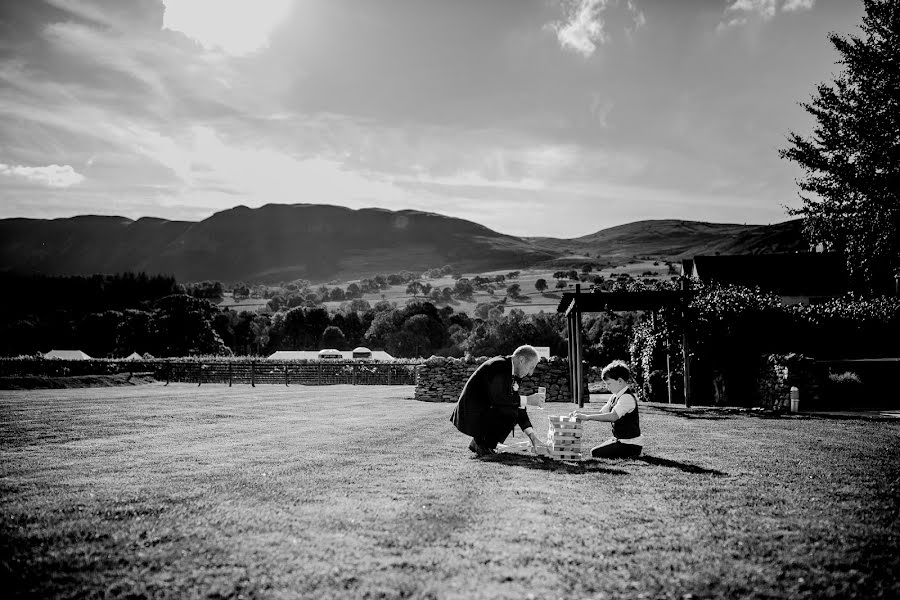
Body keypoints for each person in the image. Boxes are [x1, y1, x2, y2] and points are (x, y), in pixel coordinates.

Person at [450, 345, 545, 457]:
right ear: (521, 360)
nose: (531, 373)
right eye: (531, 367)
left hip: (483, 409)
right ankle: (481, 444)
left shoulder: (513, 373)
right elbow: (499, 398)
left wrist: (533, 438)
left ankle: (483, 444)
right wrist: (528, 399)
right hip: (470, 412)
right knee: (509, 411)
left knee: (513, 409)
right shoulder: (499, 366)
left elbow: (517, 405)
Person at [570, 360, 643, 459]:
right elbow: (601, 412)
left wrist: (587, 417)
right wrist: (581, 413)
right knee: (596, 451)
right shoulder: (615, 396)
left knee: (595, 453)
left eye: (609, 383)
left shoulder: (627, 398)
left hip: (630, 444)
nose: (607, 387)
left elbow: (613, 416)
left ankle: (635, 452)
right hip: (620, 440)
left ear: (620, 381)